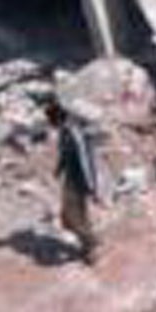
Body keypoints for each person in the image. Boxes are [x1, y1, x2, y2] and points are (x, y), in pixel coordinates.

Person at [44, 99, 101, 264]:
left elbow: (85, 159)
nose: (51, 125)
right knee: (72, 216)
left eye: (52, 121)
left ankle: (91, 246)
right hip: (70, 177)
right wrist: (58, 169)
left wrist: (91, 186)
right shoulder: (65, 131)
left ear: (58, 119)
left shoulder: (74, 133)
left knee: (73, 216)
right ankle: (89, 241)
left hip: (79, 179)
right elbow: (64, 153)